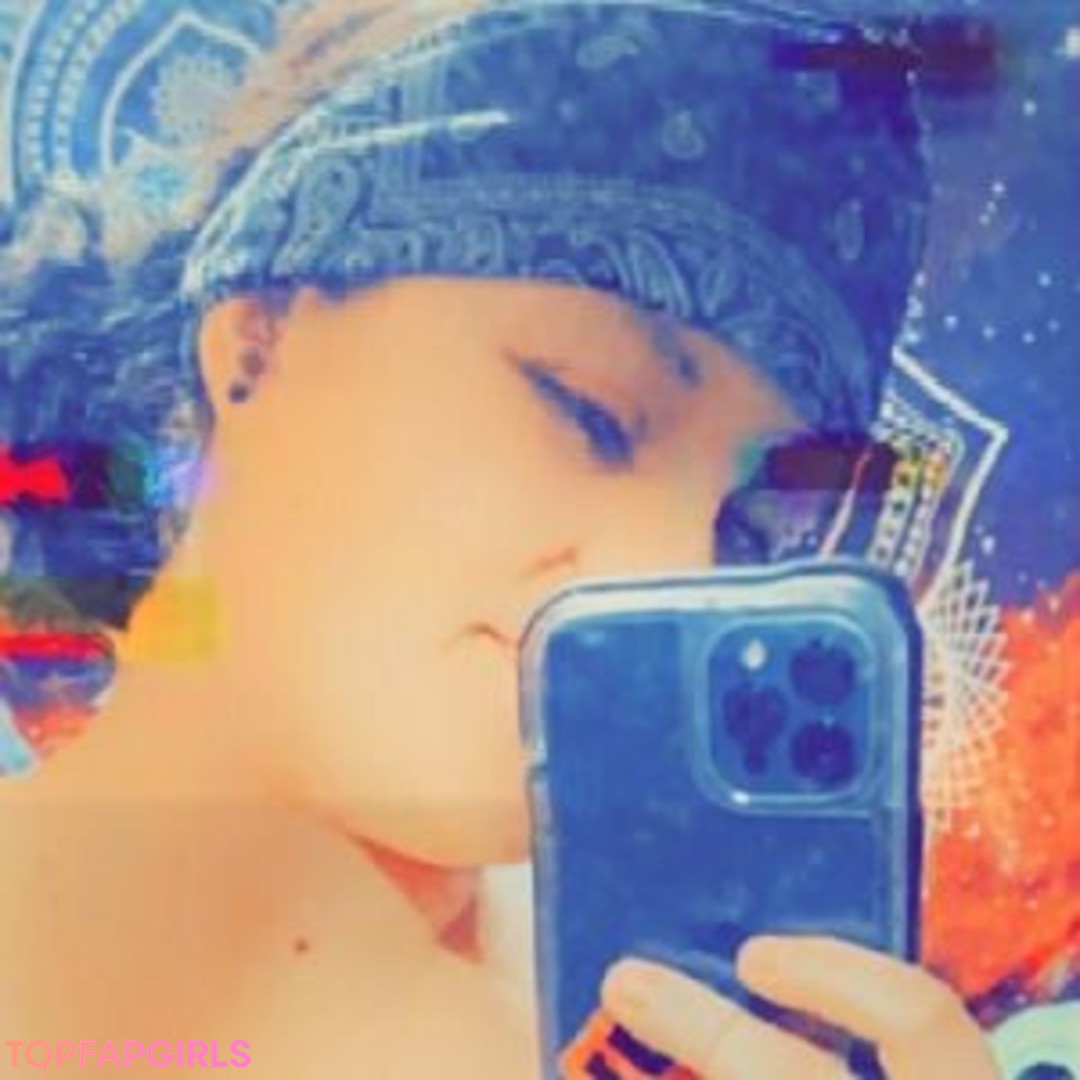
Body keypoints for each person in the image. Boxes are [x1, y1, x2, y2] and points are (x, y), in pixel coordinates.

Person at [0, 1, 1002, 1077]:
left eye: (748, 535)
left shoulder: (658, 1045)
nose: (661, 572)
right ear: (257, 342)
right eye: (589, 411)